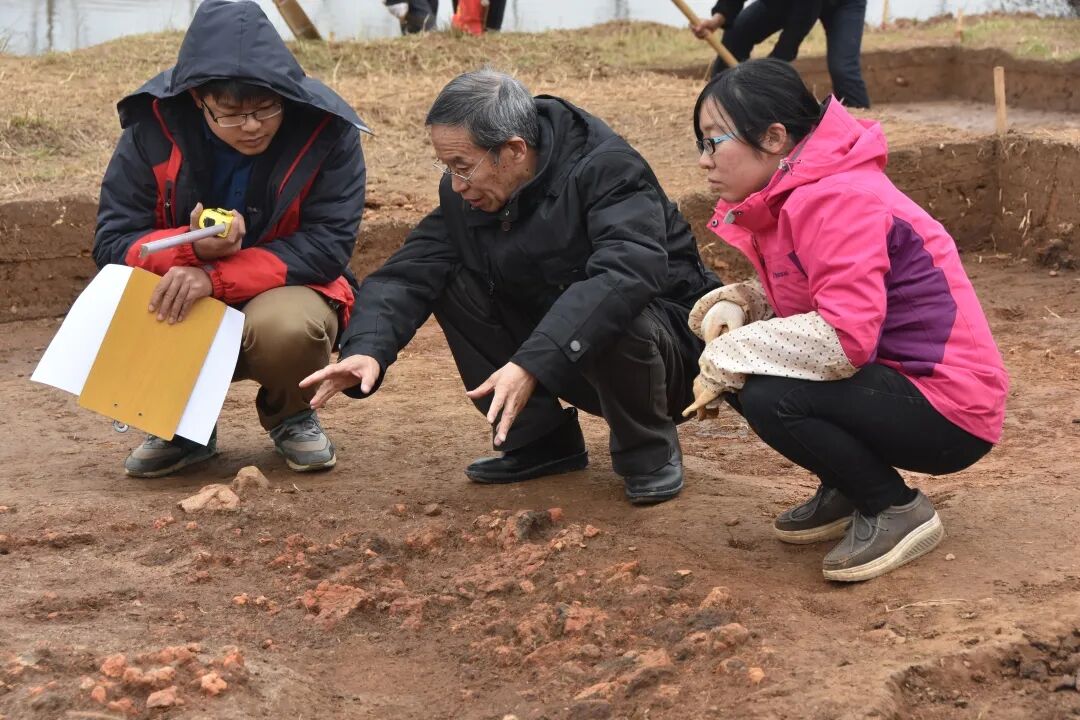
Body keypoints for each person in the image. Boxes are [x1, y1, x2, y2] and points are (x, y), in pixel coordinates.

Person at [302, 69, 720, 504]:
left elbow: (628, 272)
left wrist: (532, 364)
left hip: (668, 363)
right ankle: (539, 441)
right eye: (447, 167)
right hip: (566, 356)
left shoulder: (608, 169)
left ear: (515, 151)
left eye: (463, 167)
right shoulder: (471, 193)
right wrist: (367, 347)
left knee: (612, 300)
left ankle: (648, 451)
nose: (456, 184)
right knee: (453, 278)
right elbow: (410, 271)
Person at [684, 59, 1007, 581]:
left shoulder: (836, 198)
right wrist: (744, 303)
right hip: (899, 383)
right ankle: (848, 484)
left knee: (769, 391)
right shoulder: (793, 195)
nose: (704, 161)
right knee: (752, 368)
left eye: (713, 141)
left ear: (773, 137)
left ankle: (893, 507)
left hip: (950, 407)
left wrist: (729, 353)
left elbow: (844, 337)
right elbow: (811, 296)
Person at [92, 0, 369, 478]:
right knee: (155, 295)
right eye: (231, 113)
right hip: (181, 282)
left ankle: (291, 415)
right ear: (198, 98)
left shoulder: (328, 132)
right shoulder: (151, 127)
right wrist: (190, 247)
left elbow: (327, 247)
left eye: (267, 108)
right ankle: (178, 428)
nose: (253, 126)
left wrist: (214, 277)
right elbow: (112, 242)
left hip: (283, 291)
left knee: (289, 327)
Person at [691, 0, 871, 109]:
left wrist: (774, 64)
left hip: (842, 4)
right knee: (736, 34)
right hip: (785, 2)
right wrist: (717, 20)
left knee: (843, 68)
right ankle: (722, 107)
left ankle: (863, 132)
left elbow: (803, 18)